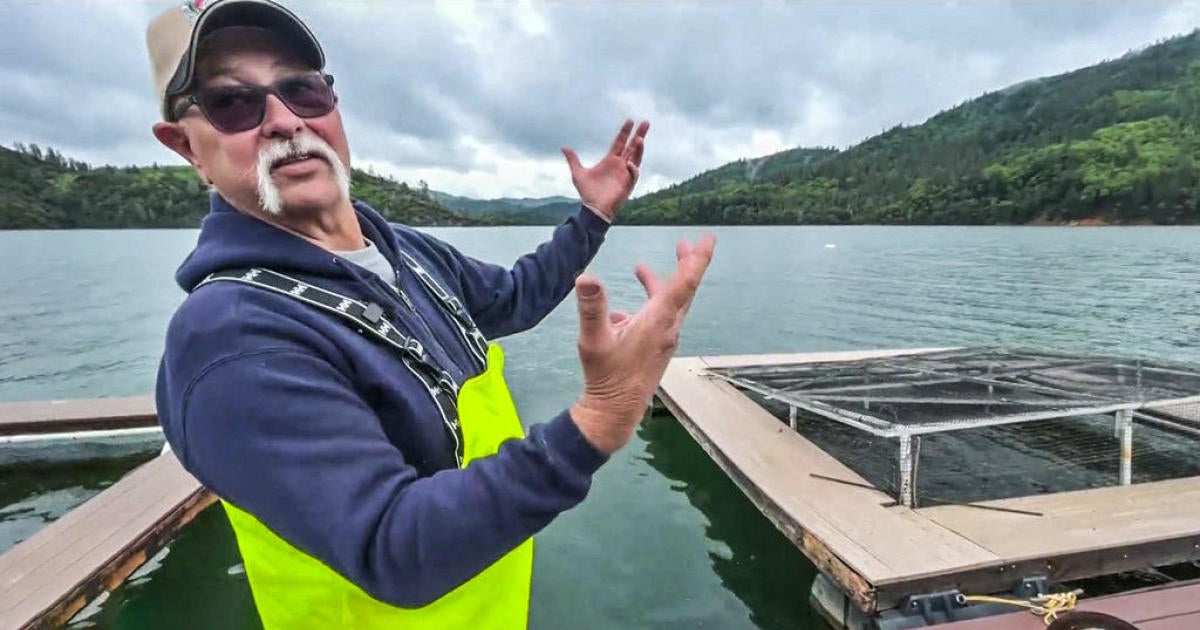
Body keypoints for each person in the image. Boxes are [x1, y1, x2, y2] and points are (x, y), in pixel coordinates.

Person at [146, 0, 715, 627]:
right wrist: (600, 417)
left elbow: (511, 298)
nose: (284, 121)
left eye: (302, 90)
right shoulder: (231, 338)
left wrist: (593, 218)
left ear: (333, 108)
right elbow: (393, 546)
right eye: (233, 103)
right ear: (185, 146)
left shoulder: (402, 250)